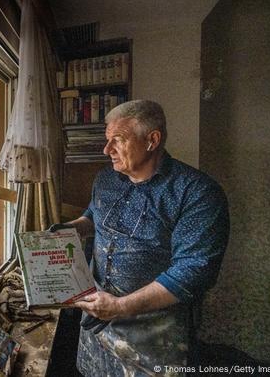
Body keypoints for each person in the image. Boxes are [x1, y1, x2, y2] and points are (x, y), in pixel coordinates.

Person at [61, 100, 229, 376]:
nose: (107, 150)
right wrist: (74, 228)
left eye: (117, 140)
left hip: (154, 334)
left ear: (152, 140)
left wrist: (119, 306)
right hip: (96, 318)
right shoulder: (106, 179)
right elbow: (93, 214)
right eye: (107, 140)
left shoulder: (197, 192)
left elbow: (195, 270)